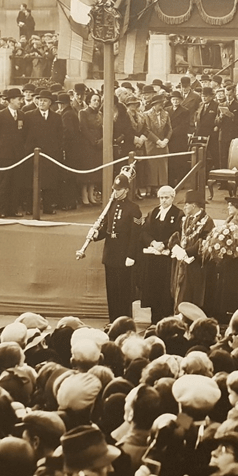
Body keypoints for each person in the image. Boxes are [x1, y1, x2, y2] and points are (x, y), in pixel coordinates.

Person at [76, 171, 143, 321]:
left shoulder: (134, 209)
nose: (116, 192)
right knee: (112, 291)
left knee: (124, 291)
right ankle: (113, 320)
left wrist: (131, 255)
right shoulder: (111, 205)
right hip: (111, 254)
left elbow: (135, 235)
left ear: (126, 190)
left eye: (119, 190)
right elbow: (107, 228)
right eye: (114, 189)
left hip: (124, 254)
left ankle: (124, 321)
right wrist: (96, 236)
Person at [141, 185, 182, 323]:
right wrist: (153, 242)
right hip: (153, 258)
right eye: (161, 197)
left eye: (167, 197)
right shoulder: (153, 212)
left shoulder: (178, 214)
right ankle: (154, 322)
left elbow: (177, 233)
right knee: (154, 292)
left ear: (172, 198)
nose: (163, 200)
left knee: (166, 294)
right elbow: (145, 231)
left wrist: (164, 244)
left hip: (167, 259)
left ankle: (167, 323)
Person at [208, 196, 238, 322]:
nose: (228, 207)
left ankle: (236, 312)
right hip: (228, 260)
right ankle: (223, 311)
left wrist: (236, 251)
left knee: (237, 285)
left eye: (230, 205)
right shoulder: (229, 220)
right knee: (225, 284)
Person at [0, 87, 28, 218]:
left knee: (16, 182)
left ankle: (14, 209)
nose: (21, 101)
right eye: (19, 99)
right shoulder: (0, 115)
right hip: (4, 155)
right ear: (11, 100)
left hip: (18, 155)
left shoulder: (22, 115)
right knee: (4, 183)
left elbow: (24, 135)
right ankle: (3, 210)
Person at [23, 90, 63, 215]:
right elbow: (24, 135)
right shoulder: (29, 115)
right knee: (31, 182)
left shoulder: (56, 117)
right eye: (40, 100)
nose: (41, 103)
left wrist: (57, 151)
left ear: (50, 103)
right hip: (32, 153)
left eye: (44, 101)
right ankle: (30, 208)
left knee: (49, 181)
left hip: (50, 154)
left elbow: (60, 135)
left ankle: (48, 207)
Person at [172, 190, 213, 309]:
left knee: (192, 293)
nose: (184, 207)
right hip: (182, 261)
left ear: (193, 205)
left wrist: (187, 252)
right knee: (180, 289)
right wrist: (176, 248)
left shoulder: (207, 221)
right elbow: (177, 236)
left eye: (186, 204)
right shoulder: (184, 219)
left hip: (196, 263)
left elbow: (205, 241)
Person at [78, 91, 103, 206]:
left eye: (98, 100)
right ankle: (84, 196)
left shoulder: (100, 114)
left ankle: (91, 195)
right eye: (94, 100)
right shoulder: (83, 113)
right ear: (89, 101)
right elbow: (83, 128)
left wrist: (100, 141)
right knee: (86, 172)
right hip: (86, 144)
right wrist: (93, 141)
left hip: (98, 145)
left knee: (95, 171)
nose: (96, 102)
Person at [142, 94, 171, 194]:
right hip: (151, 143)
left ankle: (162, 186)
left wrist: (165, 140)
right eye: (159, 104)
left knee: (163, 165)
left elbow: (169, 129)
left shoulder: (166, 114)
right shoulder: (146, 114)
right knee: (152, 165)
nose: (161, 105)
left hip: (163, 143)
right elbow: (146, 130)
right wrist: (157, 141)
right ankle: (151, 187)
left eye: (162, 103)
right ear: (154, 105)